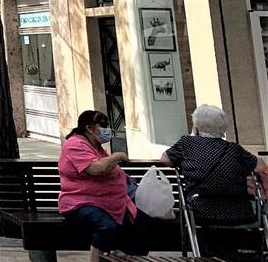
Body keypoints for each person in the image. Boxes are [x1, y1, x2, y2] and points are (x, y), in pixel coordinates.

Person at [160, 105, 267, 260]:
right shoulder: (234, 149)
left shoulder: (187, 143)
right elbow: (261, 165)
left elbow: (165, 159)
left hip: (201, 210)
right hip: (240, 212)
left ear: (197, 127)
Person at [58, 109, 153, 261]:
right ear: (89, 128)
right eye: (103, 125)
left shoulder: (96, 147)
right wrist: (118, 156)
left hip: (109, 201)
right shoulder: (75, 145)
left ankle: (124, 257)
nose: (107, 129)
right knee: (107, 226)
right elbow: (97, 169)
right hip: (80, 203)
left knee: (144, 224)